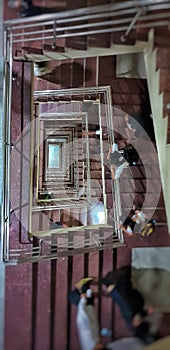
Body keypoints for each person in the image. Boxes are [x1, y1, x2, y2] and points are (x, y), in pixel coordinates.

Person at [100, 266, 157, 345]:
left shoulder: (129, 311)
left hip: (118, 287)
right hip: (121, 287)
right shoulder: (134, 315)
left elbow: (124, 298)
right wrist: (146, 313)